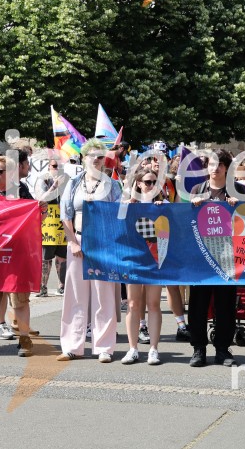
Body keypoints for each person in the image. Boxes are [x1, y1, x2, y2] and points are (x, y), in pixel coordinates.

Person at [0, 155, 46, 358]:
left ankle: (24, 338)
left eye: (0, 171)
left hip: (16, 255)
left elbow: (35, 218)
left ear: (10, 173)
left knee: (19, 300)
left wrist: (43, 211)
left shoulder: (21, 192)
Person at [57, 139, 123, 362]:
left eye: (100, 156)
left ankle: (104, 347)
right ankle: (72, 346)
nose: (96, 159)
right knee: (75, 295)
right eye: (92, 155)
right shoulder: (74, 183)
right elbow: (65, 215)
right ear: (84, 158)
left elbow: (119, 215)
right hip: (78, 241)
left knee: (103, 295)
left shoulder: (113, 185)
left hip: (103, 245)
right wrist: (72, 241)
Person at [188, 149, 239, 367]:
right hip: (201, 257)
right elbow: (185, 219)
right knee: (198, 304)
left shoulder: (236, 190)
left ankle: (222, 349)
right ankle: (198, 349)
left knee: (225, 304)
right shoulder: (197, 189)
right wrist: (193, 203)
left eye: (220, 164)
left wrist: (240, 204)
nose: (215, 167)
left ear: (226, 167)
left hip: (227, 257)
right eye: (212, 163)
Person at [121, 166, 166, 365]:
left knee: (153, 304)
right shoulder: (129, 203)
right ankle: (132, 348)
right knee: (133, 304)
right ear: (138, 184)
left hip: (155, 259)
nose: (151, 185)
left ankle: (154, 349)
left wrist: (162, 207)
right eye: (148, 182)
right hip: (134, 258)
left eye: (155, 182)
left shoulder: (163, 203)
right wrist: (128, 204)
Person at [35, 159, 69, 296]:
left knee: (62, 256)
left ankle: (63, 285)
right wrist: (54, 186)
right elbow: (41, 198)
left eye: (60, 166)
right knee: (46, 257)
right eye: (55, 166)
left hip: (63, 222)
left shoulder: (68, 179)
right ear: (49, 167)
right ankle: (43, 287)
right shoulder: (43, 180)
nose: (57, 169)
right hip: (48, 222)